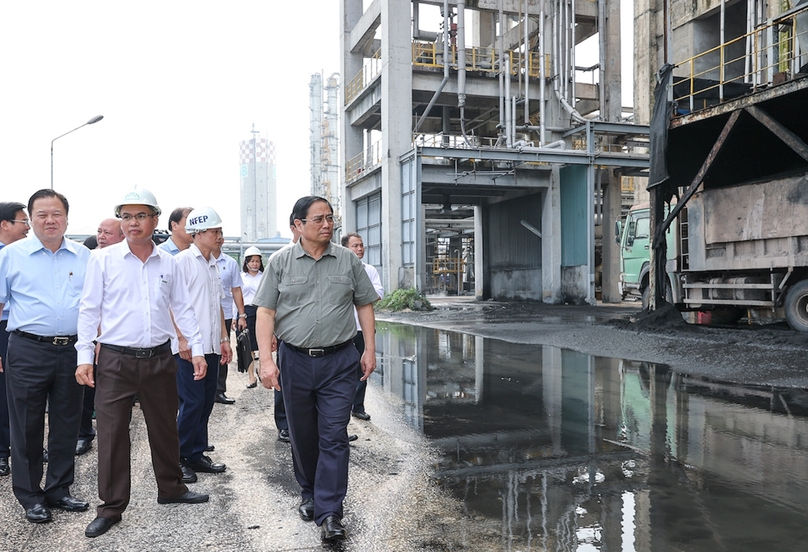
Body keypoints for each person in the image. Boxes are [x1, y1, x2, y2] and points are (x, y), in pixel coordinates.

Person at [75, 187, 210, 538]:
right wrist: (84, 356)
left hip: (159, 358)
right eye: (126, 216)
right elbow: (89, 309)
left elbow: (181, 307)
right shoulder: (103, 260)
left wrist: (196, 349)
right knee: (112, 432)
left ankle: (172, 489)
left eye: (140, 216)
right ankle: (111, 506)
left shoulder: (169, 262)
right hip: (116, 360)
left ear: (154, 219)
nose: (132, 223)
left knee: (165, 426)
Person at [254, 196, 378, 543]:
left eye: (330, 218)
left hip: (340, 360)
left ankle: (330, 512)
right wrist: (266, 360)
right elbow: (265, 312)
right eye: (319, 219)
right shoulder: (280, 262)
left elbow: (364, 303)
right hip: (295, 360)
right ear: (298, 225)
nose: (327, 225)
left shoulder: (348, 261)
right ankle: (309, 491)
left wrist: (369, 349)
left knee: (334, 435)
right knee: (303, 434)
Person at [0, 189, 90, 524]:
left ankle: (59, 489)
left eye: (56, 214)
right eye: (41, 215)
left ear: (66, 217)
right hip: (27, 349)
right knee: (26, 425)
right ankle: (30, 495)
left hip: (73, 350)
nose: (49, 220)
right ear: (31, 219)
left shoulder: (84, 257)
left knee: (67, 422)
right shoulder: (10, 256)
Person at [173, 207, 232, 484]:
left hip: (209, 345)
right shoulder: (182, 262)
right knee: (192, 401)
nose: (220, 236)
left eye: (220, 231)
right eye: (215, 231)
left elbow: (218, 304)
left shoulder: (212, 264)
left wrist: (224, 339)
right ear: (197, 233)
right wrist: (182, 339)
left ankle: (196, 453)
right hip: (188, 348)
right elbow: (169, 304)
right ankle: (179, 457)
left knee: (206, 401)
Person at [76, 218, 125, 457]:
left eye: (108, 233)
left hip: (113, 339)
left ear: (122, 236)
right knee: (84, 388)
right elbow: (87, 304)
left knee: (107, 392)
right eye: (99, 232)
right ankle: (83, 433)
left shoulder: (126, 262)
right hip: (88, 335)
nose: (101, 237)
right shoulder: (87, 258)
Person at [0, 202, 30, 478]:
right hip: (2, 328)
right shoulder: (5, 257)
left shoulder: (23, 255)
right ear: (4, 224)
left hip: (17, 330)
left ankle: (19, 448)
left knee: (17, 395)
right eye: (23, 221)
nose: (28, 227)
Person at [340, 232, 384, 421]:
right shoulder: (338, 269)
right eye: (355, 246)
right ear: (345, 249)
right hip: (342, 330)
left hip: (362, 329)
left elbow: (377, 293)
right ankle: (341, 411)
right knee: (341, 372)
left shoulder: (370, 270)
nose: (359, 249)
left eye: (361, 245)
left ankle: (358, 407)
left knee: (362, 369)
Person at [212, 239, 246, 405]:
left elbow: (236, 290)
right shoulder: (199, 260)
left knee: (222, 353)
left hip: (223, 314)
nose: (217, 238)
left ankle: (219, 391)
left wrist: (241, 315)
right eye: (214, 233)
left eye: (220, 234)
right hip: (202, 316)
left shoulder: (230, 263)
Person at [239, 245, 264, 390]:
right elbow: (236, 296)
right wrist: (237, 316)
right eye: (252, 261)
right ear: (246, 262)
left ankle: (261, 370)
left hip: (261, 311)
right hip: (245, 311)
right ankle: (251, 376)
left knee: (261, 342)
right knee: (247, 344)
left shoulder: (264, 277)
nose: (255, 264)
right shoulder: (241, 277)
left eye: (257, 261)